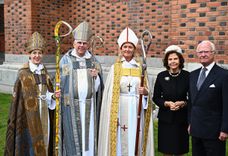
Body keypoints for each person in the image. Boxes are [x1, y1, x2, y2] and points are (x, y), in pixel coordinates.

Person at [98, 27, 154, 156]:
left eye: (130, 47)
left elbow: (147, 93)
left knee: (136, 134)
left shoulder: (141, 68)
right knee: (120, 137)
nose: (127, 49)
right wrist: (113, 115)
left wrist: (145, 93)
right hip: (120, 108)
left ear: (134, 49)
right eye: (125, 47)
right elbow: (110, 94)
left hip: (136, 108)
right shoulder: (116, 68)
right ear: (121, 49)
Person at [4, 32, 60, 156]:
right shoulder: (23, 74)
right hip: (29, 118)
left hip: (44, 114)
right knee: (31, 145)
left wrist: (52, 96)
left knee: (45, 141)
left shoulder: (44, 72)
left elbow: (45, 93)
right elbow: (18, 102)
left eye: (39, 53)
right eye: (34, 53)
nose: (37, 56)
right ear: (29, 54)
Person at [58, 21, 104, 156]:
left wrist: (97, 78)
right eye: (79, 42)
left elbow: (99, 89)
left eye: (84, 43)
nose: (81, 46)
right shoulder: (65, 61)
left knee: (89, 138)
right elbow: (60, 82)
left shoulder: (94, 61)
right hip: (71, 106)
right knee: (72, 137)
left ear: (88, 45)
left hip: (90, 106)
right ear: (74, 43)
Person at [188, 40, 228, 156]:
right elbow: (191, 102)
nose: (203, 55)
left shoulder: (225, 76)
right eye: (200, 52)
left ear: (213, 53)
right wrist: (190, 122)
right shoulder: (192, 75)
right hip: (196, 129)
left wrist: (225, 129)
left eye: (206, 52)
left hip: (214, 132)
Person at [152, 45, 189, 156]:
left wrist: (183, 103)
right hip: (166, 119)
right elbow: (156, 97)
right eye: (170, 59)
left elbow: (192, 97)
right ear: (166, 61)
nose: (173, 61)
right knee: (166, 150)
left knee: (179, 150)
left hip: (181, 119)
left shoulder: (187, 76)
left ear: (180, 60)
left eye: (175, 59)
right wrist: (166, 103)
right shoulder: (161, 76)